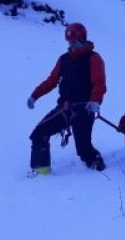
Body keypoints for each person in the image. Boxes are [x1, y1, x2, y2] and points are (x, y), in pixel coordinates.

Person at [26, 22, 107, 177]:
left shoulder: (94, 59)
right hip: (64, 107)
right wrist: (35, 95)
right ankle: (41, 170)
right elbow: (51, 80)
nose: (72, 46)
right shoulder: (64, 59)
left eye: (75, 42)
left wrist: (95, 101)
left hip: (85, 108)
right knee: (39, 133)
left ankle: (96, 162)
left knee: (83, 148)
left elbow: (99, 83)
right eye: (70, 43)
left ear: (83, 40)